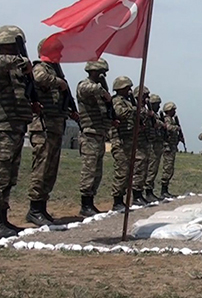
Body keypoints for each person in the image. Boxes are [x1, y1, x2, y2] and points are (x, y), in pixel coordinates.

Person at [25, 38, 80, 226]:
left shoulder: (54, 70)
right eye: (58, 50)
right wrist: (59, 82)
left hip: (55, 127)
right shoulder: (41, 67)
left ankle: (41, 207)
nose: (61, 53)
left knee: (50, 170)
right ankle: (34, 209)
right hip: (43, 127)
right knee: (41, 168)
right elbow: (38, 77)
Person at [0, 25, 39, 237]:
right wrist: (22, 61)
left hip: (14, 127)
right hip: (3, 127)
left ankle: (3, 219)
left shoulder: (15, 68)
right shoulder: (6, 63)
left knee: (9, 176)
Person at [76, 58, 112, 217]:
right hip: (89, 134)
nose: (102, 76)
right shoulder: (85, 85)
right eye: (100, 73)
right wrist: (103, 91)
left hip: (99, 134)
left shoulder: (98, 92)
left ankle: (90, 202)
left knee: (97, 172)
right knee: (89, 170)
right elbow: (88, 88)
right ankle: (85, 205)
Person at [110, 76, 143, 211]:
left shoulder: (128, 102)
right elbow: (119, 113)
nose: (129, 90)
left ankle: (123, 199)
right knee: (121, 171)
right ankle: (117, 200)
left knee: (129, 171)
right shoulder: (117, 101)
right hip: (120, 140)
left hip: (129, 140)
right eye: (127, 88)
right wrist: (135, 110)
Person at [131, 86, 152, 204]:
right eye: (144, 96)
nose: (147, 99)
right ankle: (136, 195)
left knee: (143, 168)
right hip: (137, 142)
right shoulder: (134, 107)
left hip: (144, 142)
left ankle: (139, 193)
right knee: (138, 168)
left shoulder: (144, 109)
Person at [159, 101, 182, 198]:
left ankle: (165, 189)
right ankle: (163, 190)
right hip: (168, 146)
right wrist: (177, 128)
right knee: (167, 168)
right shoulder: (167, 119)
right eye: (173, 110)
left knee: (170, 169)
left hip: (172, 146)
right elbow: (168, 128)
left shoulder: (172, 119)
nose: (175, 111)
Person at [145, 94, 165, 201]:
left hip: (157, 144)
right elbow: (156, 124)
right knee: (151, 168)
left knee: (154, 168)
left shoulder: (155, 115)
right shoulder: (149, 114)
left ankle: (150, 190)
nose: (158, 106)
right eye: (157, 104)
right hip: (151, 144)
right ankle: (148, 191)